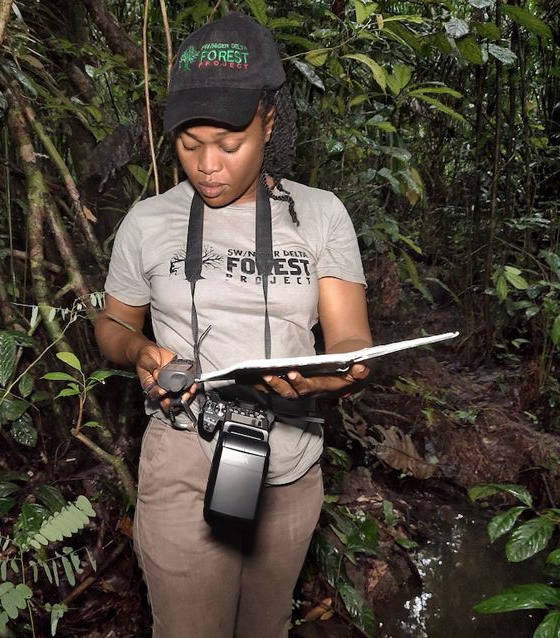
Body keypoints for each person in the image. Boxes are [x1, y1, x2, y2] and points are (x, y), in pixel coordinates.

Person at [94, 11, 372, 638]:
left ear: (268, 123)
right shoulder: (147, 221)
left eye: (228, 143)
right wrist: (139, 351)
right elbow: (112, 324)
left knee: (265, 625)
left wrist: (334, 374)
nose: (206, 165)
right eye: (189, 144)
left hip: (290, 462)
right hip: (184, 451)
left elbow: (351, 338)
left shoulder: (321, 215)